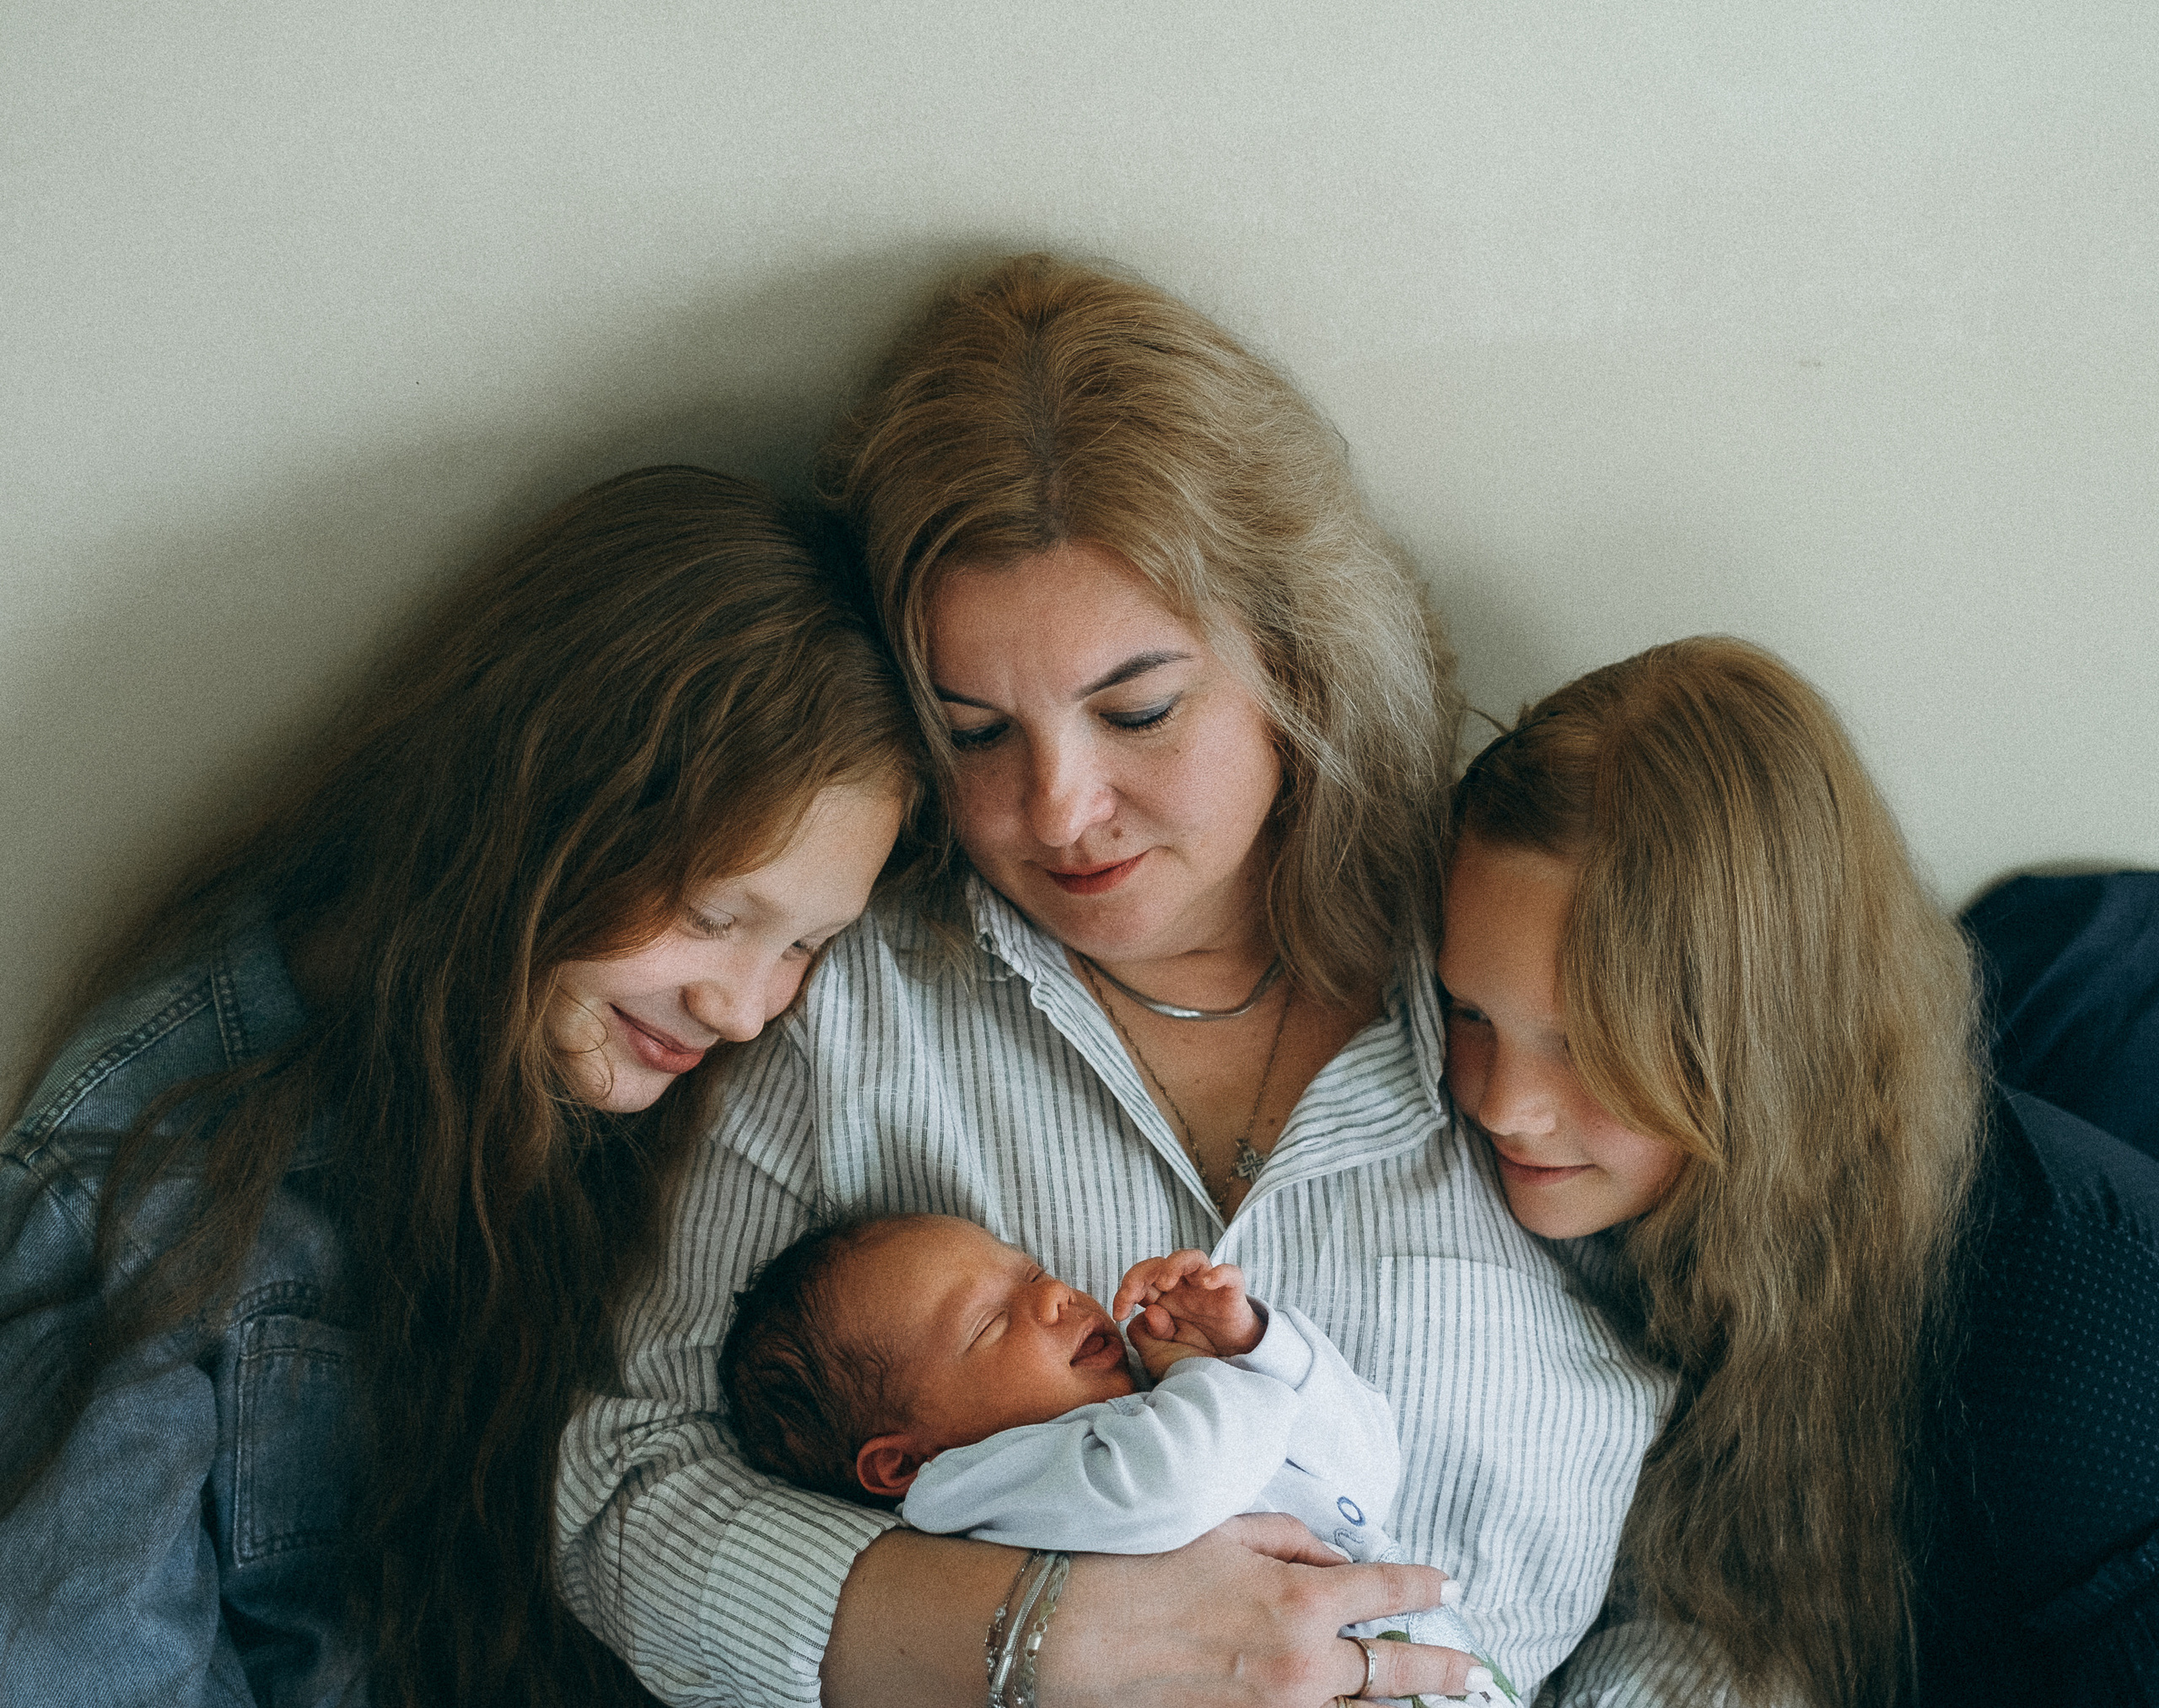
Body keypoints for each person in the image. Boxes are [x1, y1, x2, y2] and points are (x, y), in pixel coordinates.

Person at [556, 253, 1677, 1708]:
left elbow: (1737, 1577)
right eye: (975, 732)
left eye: (1137, 710)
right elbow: (626, 1487)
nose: (1059, 811)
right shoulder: (843, 1004)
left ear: (1295, 660)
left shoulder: (1513, 972)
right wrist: (1035, 1637)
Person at [0, 466, 918, 1708]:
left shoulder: (674, 1098)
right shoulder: (128, 1196)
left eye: (806, 943)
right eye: (712, 916)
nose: (746, 1008)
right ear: (540, 817)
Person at [1437, 633, 2159, 1706]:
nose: (1501, 1105)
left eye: (1586, 1045)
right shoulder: (1578, 1198)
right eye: (1469, 1012)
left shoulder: (2070, 1333)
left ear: (1767, 1036)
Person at [717, 1211, 1514, 1705]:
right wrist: (1200, 1372)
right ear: (902, 1464)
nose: (1054, 1295)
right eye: (992, 1323)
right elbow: (1178, 1480)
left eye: (1031, 1271)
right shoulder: (978, 1483)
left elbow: (1367, 1480)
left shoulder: (1169, 1412)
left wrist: (1251, 1342)